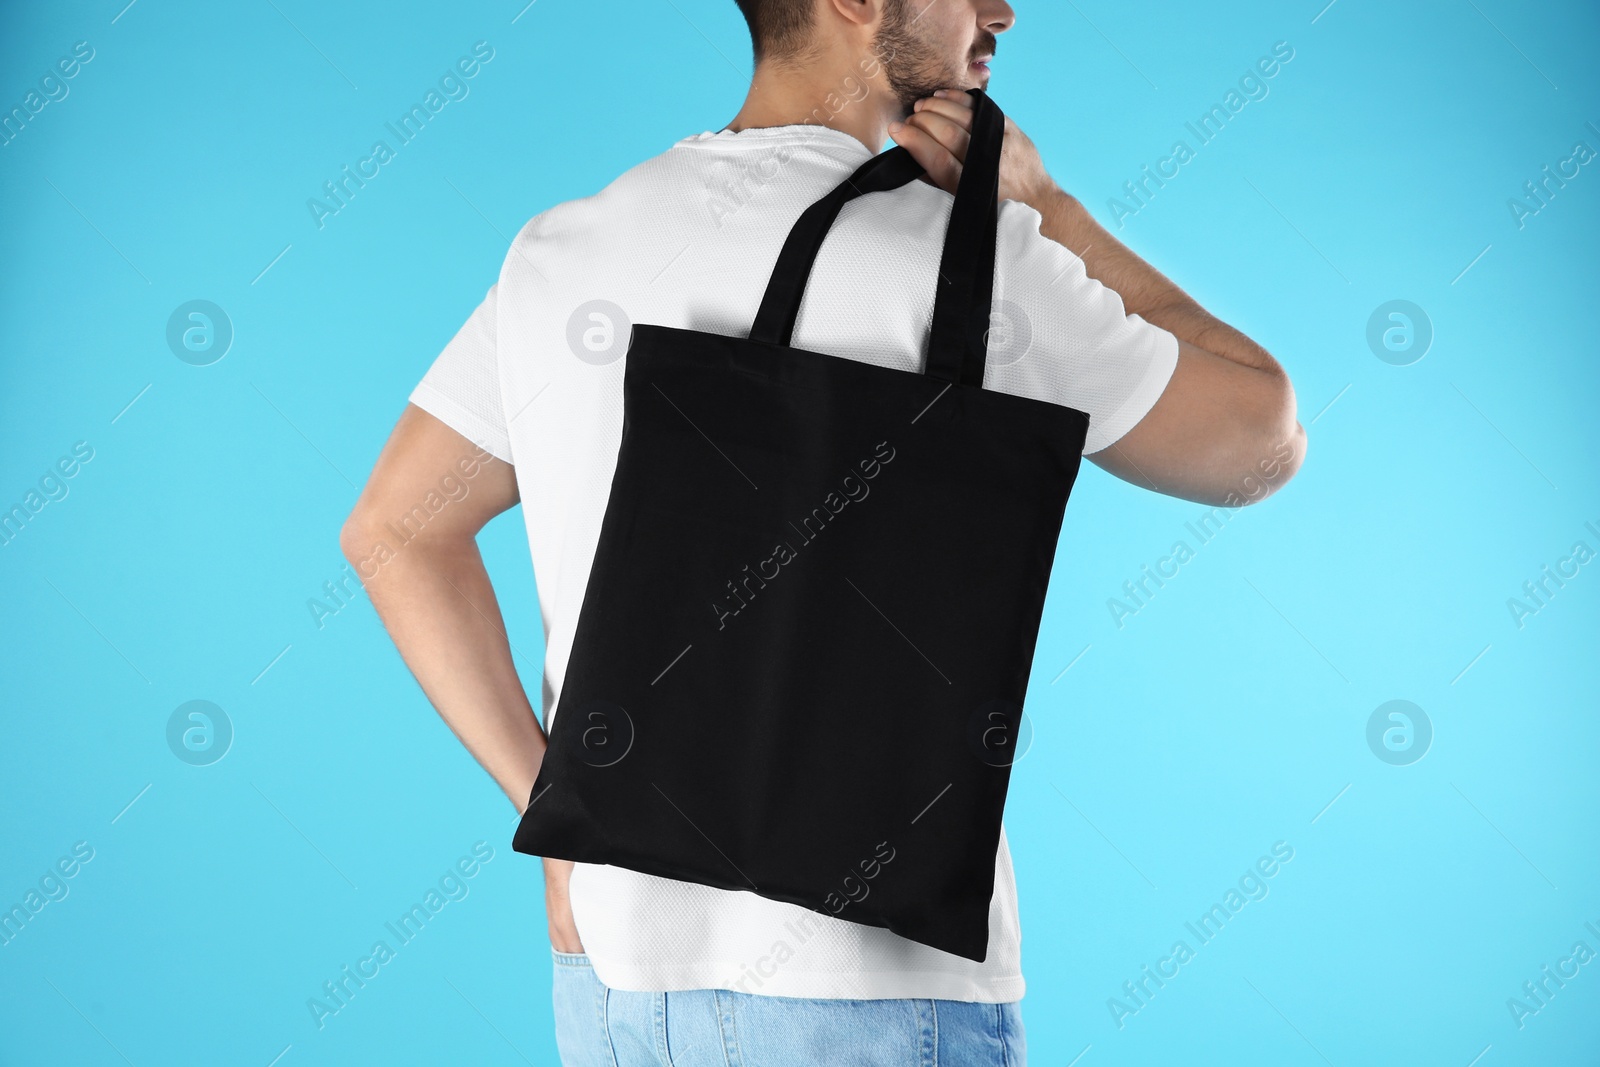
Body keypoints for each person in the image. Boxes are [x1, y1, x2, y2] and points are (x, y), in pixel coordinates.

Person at [340, 1, 1307, 1062]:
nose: (999, 11)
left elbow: (393, 531)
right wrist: (1049, 206)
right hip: (875, 993)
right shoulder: (972, 262)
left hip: (616, 988)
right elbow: (1261, 440)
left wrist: (555, 812)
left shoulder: (562, 252)